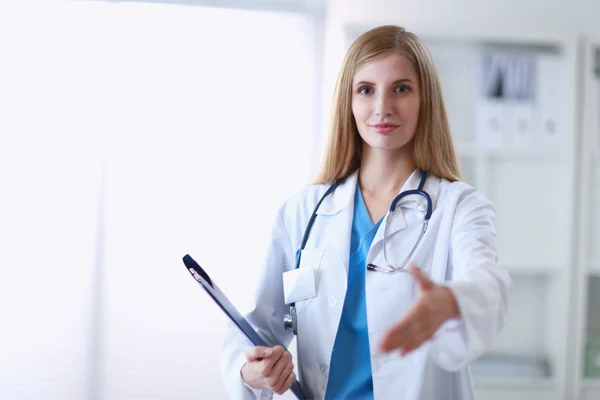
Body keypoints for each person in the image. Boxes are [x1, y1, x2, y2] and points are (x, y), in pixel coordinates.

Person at [220, 25, 511, 400]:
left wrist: (453, 302)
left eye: (401, 89)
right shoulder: (302, 211)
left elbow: (488, 283)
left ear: (425, 101)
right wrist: (251, 370)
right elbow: (257, 327)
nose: (382, 107)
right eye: (366, 90)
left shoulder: (458, 207)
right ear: (349, 101)